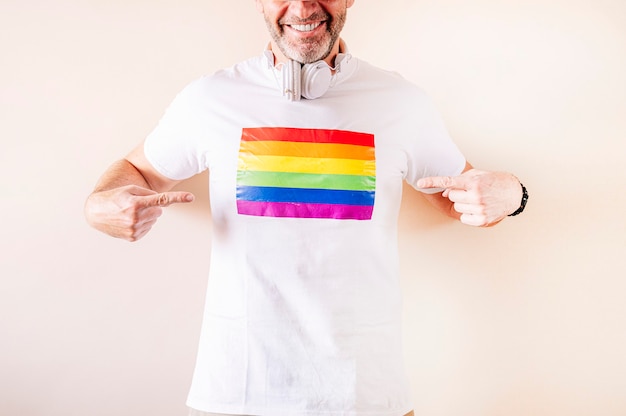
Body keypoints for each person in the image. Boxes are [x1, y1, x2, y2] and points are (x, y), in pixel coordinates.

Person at [84, 1, 528, 415]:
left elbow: (463, 197)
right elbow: (134, 171)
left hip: (368, 393)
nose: (302, 7)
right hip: (238, 391)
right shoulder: (209, 99)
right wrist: (99, 205)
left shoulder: (401, 102)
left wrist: (512, 196)